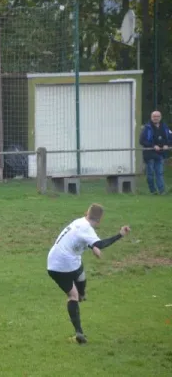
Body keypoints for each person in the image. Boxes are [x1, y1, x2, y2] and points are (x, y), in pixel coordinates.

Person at [47, 203, 131, 344]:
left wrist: (93, 246)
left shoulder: (78, 222)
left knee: (79, 267)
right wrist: (120, 234)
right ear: (100, 220)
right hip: (64, 264)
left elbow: (84, 239)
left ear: (87, 213)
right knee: (73, 294)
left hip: (53, 262)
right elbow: (102, 244)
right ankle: (80, 324)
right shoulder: (88, 229)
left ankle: (81, 301)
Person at [139, 110, 171, 195]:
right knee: (150, 174)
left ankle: (162, 191)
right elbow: (142, 141)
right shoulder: (147, 128)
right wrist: (153, 146)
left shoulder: (165, 127)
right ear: (151, 117)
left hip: (160, 154)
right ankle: (153, 191)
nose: (156, 118)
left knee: (159, 173)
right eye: (154, 116)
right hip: (149, 154)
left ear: (160, 117)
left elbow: (170, 138)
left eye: (157, 116)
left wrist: (167, 145)